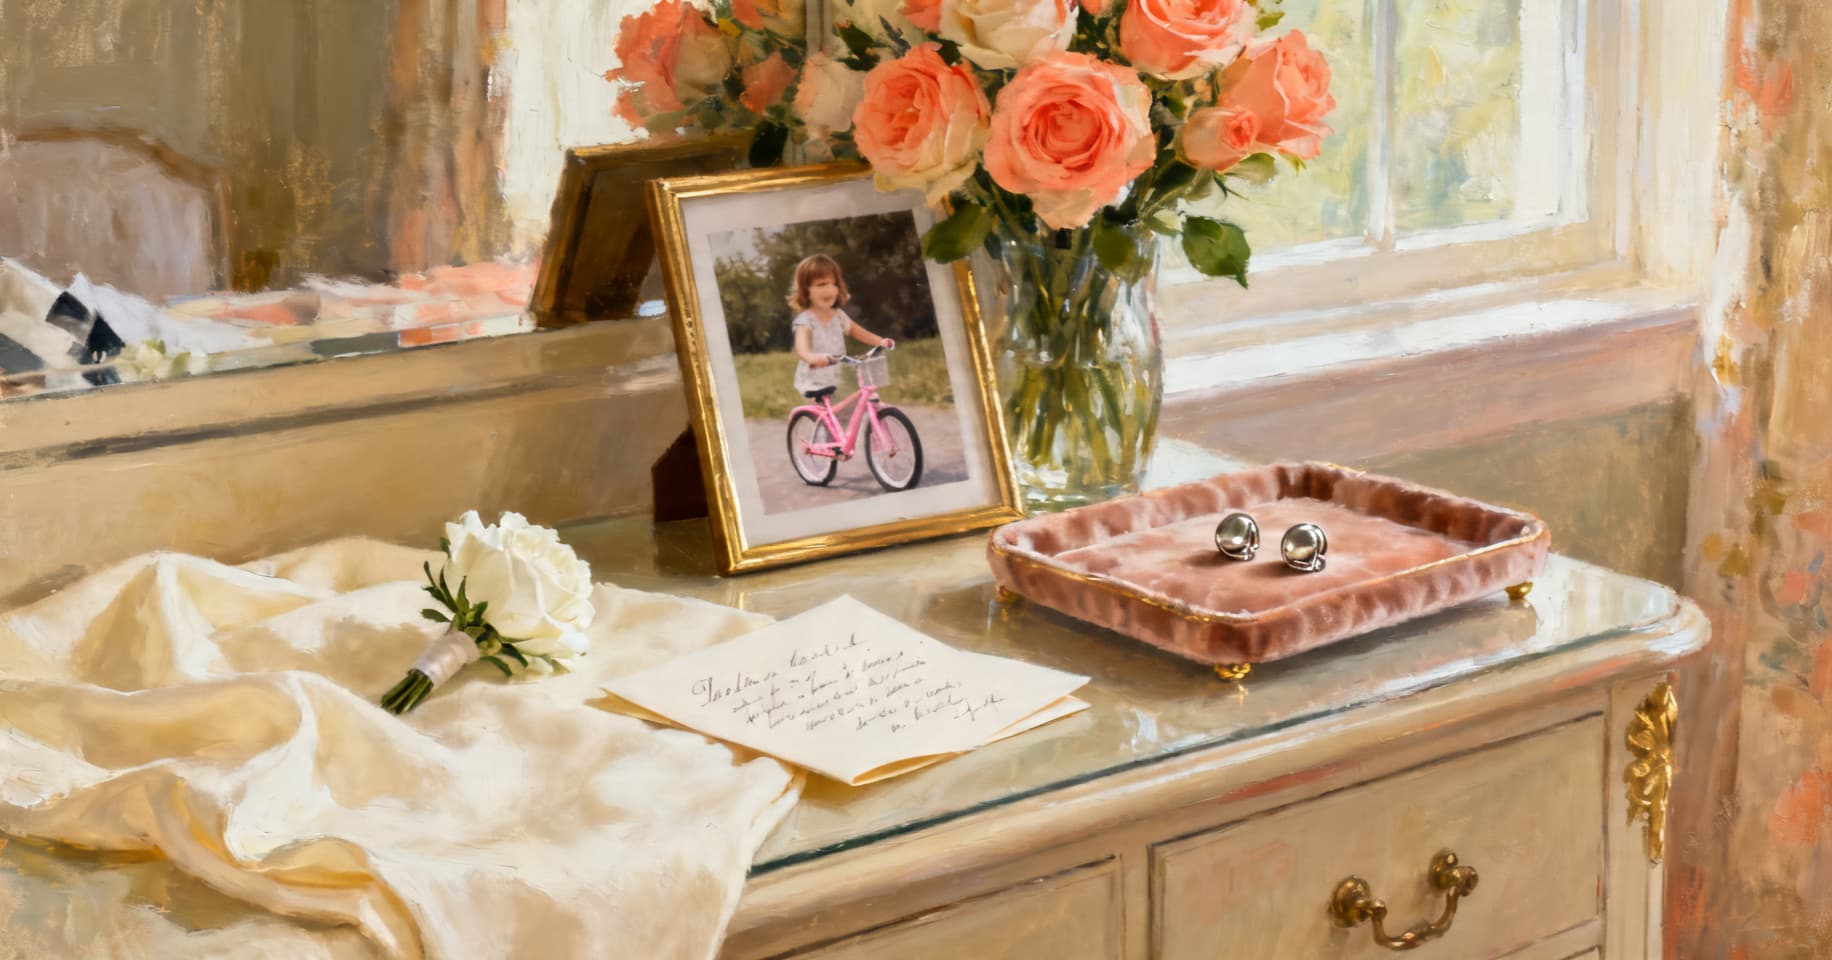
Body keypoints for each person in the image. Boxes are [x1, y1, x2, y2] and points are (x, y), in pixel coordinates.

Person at [787, 254, 892, 401]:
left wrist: (880, 341)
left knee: (857, 404)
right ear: (806, 290)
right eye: (822, 284)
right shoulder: (805, 321)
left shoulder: (838, 316)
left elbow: (858, 332)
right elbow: (802, 349)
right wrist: (814, 358)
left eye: (834, 284)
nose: (830, 290)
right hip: (813, 381)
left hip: (837, 378)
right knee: (835, 413)